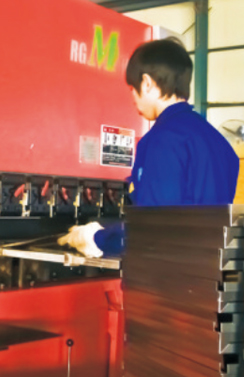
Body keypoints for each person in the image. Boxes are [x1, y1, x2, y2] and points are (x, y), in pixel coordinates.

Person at [58, 38, 239, 258]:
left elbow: (153, 230)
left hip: (168, 273)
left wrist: (95, 238)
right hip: (208, 271)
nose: (133, 98)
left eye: (132, 89)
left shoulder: (162, 140)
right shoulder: (220, 144)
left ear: (146, 83)